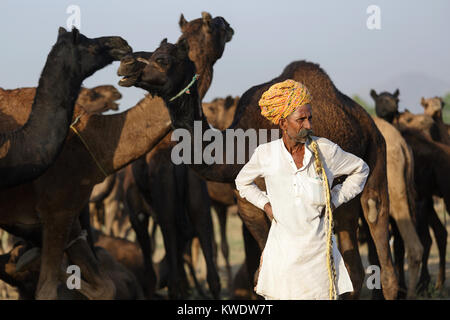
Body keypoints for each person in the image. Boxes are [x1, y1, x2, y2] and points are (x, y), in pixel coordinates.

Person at [235, 79, 370, 300]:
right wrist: (266, 205)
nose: (308, 125)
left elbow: (361, 169)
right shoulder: (266, 154)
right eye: (301, 119)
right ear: (282, 123)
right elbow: (242, 182)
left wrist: (335, 198)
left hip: (318, 261)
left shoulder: (325, 150)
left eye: (309, 118)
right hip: (283, 260)